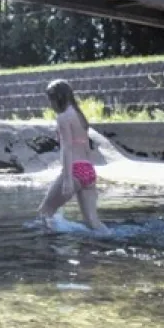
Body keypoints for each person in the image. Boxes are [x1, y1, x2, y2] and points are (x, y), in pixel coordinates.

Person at [36, 79, 109, 233]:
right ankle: (113, 239)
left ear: (57, 98)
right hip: (88, 170)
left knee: (45, 212)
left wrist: (68, 179)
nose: (50, 104)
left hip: (74, 171)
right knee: (93, 222)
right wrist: (91, 174)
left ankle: (50, 252)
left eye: (50, 99)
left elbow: (67, 147)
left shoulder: (63, 118)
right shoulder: (79, 115)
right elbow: (86, 146)